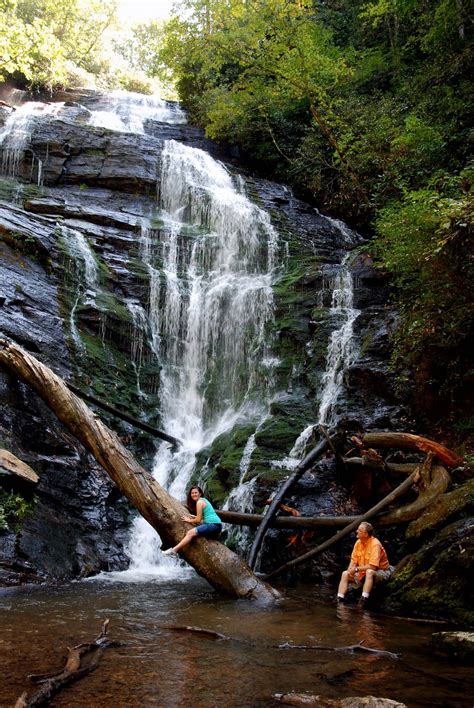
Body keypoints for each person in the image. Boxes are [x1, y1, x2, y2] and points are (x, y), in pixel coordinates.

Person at [337, 521, 394, 606]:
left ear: (366, 534)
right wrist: (351, 570)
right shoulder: (358, 542)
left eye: (359, 530)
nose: (357, 531)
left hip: (381, 572)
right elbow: (353, 560)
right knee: (345, 574)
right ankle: (339, 600)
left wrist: (356, 569)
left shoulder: (375, 544)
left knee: (369, 572)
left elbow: (373, 567)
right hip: (362, 573)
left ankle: (363, 600)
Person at [162, 486, 222, 555]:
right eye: (192, 493)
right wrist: (194, 517)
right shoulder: (203, 500)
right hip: (216, 525)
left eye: (196, 492)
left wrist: (189, 520)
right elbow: (205, 516)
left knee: (190, 533)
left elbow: (198, 519)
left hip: (213, 525)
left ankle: (174, 551)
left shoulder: (199, 502)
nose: (194, 494)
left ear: (200, 493)